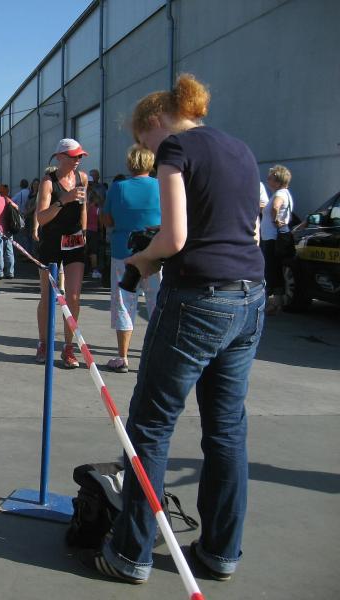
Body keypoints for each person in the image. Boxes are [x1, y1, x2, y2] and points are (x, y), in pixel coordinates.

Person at [86, 73, 265, 584]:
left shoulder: (176, 148)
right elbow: (252, 230)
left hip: (197, 300)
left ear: (156, 121)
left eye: (143, 138)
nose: (145, 148)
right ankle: (220, 552)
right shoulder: (240, 149)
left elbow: (175, 238)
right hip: (248, 296)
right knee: (226, 429)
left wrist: (141, 260)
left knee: (150, 425)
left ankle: (130, 555)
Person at [100, 144, 161, 373]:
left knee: (124, 302)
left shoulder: (118, 188)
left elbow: (107, 219)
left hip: (124, 250)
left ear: (130, 163)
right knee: (157, 302)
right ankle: (156, 356)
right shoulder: (161, 185)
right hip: (156, 251)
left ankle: (122, 356)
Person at [34, 139, 88, 368]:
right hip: (52, 242)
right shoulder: (48, 182)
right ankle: (44, 342)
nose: (77, 160)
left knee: (73, 296)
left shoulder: (82, 178)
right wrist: (63, 201)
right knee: (48, 296)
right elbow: (41, 217)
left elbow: (84, 209)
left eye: (80, 156)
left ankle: (68, 347)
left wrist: (84, 232)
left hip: (75, 241)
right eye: (74, 156)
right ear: (60, 157)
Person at [260, 164, 294, 315]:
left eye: (271, 177)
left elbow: (275, 207)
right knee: (275, 270)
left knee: (271, 270)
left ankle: (272, 304)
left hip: (272, 239)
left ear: (278, 180)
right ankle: (277, 303)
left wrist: (275, 220)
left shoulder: (280, 193)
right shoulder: (283, 193)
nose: (268, 180)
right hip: (273, 237)